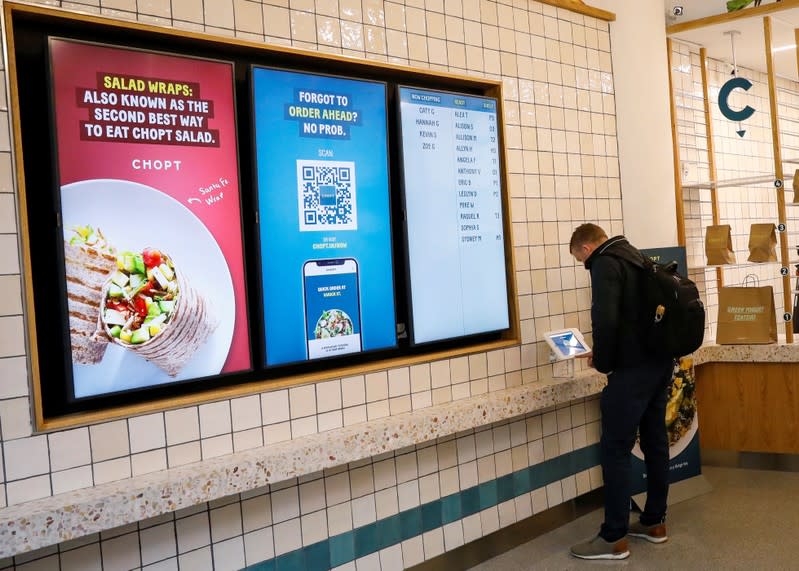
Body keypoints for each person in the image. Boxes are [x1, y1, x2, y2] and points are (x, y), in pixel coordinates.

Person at [567, 223, 675, 560]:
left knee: (615, 449)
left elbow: (606, 319)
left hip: (631, 373)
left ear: (585, 249)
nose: (584, 266)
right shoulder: (636, 256)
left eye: (579, 260)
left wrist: (601, 360)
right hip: (659, 364)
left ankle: (613, 537)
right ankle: (654, 522)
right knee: (656, 440)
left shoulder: (604, 263)